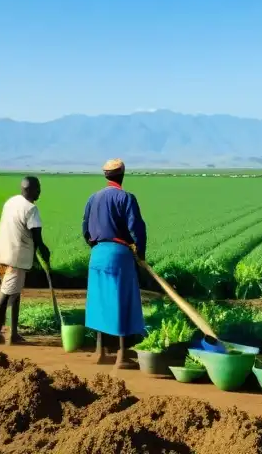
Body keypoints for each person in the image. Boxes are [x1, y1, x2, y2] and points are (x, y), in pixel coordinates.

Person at [82, 158, 147, 368]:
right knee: (122, 301)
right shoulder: (126, 198)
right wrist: (141, 253)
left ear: (105, 175)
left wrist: (95, 245)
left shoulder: (93, 198)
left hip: (98, 254)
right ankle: (121, 356)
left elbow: (85, 228)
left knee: (99, 302)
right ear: (123, 174)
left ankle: (100, 352)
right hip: (119, 255)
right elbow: (137, 228)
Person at [0, 176, 50, 344]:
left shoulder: (11, 201)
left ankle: (13, 333)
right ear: (28, 190)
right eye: (37, 189)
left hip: (1, 253)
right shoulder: (31, 209)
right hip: (15, 258)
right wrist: (45, 254)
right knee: (7, 293)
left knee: (14, 292)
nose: (39, 192)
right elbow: (38, 239)